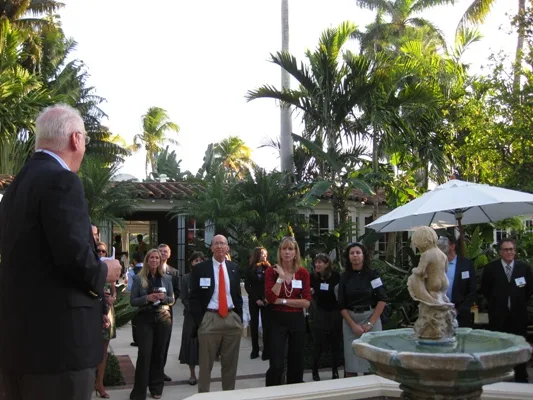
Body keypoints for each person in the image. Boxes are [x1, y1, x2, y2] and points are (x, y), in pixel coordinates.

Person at [0, 104, 122, 400]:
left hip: (18, 346)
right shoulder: (62, 180)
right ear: (75, 139)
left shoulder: (16, 188)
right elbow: (75, 260)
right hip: (59, 350)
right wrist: (106, 270)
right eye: (84, 140)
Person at [189, 235, 243, 393]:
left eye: (223, 243)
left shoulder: (233, 267)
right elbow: (193, 297)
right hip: (210, 319)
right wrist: (200, 321)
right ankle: (203, 395)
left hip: (231, 319)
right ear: (211, 247)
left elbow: (237, 294)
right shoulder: (200, 269)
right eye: (216, 243)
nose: (219, 246)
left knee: (230, 364)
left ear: (227, 248)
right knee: (206, 365)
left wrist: (238, 317)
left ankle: (228, 394)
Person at [481, 238, 533, 383]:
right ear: (500, 252)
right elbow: (486, 289)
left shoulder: (524, 268)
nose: (509, 252)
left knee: (519, 346)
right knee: (499, 346)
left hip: (518, 315)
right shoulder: (491, 268)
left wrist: (517, 300)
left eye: (511, 249)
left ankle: (521, 375)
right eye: (506, 249)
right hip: (498, 316)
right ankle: (500, 375)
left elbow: (529, 290)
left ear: (515, 251)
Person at [264, 236, 311, 386]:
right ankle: (273, 391)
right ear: (279, 252)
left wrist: (283, 301)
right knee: (276, 363)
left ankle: (294, 391)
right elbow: (271, 298)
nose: (287, 252)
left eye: (290, 249)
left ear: (296, 252)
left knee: (296, 361)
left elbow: (306, 302)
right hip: (276, 320)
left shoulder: (303, 273)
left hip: (296, 320)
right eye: (284, 249)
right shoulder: (271, 272)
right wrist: (281, 278)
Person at [129, 249, 174, 400]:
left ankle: (156, 388)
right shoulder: (138, 278)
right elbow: (133, 301)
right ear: (147, 260)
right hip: (145, 319)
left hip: (163, 318)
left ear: (160, 261)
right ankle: (139, 392)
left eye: (157, 258)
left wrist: (163, 298)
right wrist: (147, 298)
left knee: (159, 354)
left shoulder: (166, 278)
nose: (154, 260)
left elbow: (172, 299)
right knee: (144, 354)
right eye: (151, 258)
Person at [338, 242, 387, 377]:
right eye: (352, 253)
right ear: (348, 257)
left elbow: (382, 299)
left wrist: (370, 323)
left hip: (371, 319)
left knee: (371, 363)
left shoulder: (373, 275)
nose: (355, 255)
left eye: (358, 252)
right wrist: (353, 325)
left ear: (364, 256)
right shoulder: (344, 277)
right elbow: (341, 305)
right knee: (351, 363)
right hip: (350, 321)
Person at [309, 253, 341, 381]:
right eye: (316, 262)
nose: (317, 265)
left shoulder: (336, 276)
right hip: (320, 312)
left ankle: (335, 371)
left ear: (327, 264)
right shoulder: (312, 277)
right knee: (318, 343)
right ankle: (314, 370)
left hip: (335, 312)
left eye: (320, 262)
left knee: (335, 343)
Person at [437, 236, 476, 327]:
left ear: (452, 246)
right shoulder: (436, 264)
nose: (440, 248)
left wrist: (459, 310)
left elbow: (472, 291)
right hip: (439, 313)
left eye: (443, 245)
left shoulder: (466, 264)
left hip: (461, 314)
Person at [179, 251, 205, 385]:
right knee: (191, 345)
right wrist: (194, 309)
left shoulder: (208, 276)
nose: (198, 263)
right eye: (196, 261)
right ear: (191, 263)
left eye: (201, 260)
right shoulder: (186, 278)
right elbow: (183, 298)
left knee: (205, 345)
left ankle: (204, 374)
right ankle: (192, 374)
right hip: (190, 316)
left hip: (206, 316)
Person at [95, 242, 117, 399]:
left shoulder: (109, 270)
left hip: (107, 312)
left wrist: (112, 298)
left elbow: (114, 291)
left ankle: (99, 383)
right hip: (93, 312)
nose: (101, 253)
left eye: (104, 251)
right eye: (98, 251)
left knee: (104, 350)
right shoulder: (90, 270)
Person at [245, 247, 272, 361]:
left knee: (267, 325)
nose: (264, 256)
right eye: (262, 254)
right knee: (254, 324)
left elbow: (271, 285)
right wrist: (256, 299)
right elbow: (248, 286)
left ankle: (267, 351)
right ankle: (255, 350)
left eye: (265, 254)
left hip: (266, 300)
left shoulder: (269, 268)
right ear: (257, 255)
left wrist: (265, 298)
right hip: (254, 299)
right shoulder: (250, 268)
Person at [157, 243, 179, 382]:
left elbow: (177, 291)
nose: (163, 253)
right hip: (150, 311)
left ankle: (160, 371)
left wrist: (169, 301)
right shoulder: (150, 269)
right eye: (161, 251)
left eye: (166, 251)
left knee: (164, 344)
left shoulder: (174, 272)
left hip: (167, 312)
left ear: (169, 254)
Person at [130, 252, 144, 347]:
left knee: (135, 319)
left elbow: (129, 287)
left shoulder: (132, 271)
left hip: (135, 298)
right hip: (146, 297)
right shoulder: (148, 270)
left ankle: (137, 340)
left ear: (134, 260)